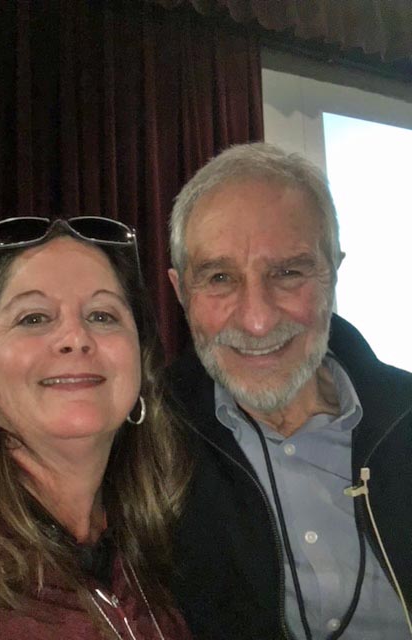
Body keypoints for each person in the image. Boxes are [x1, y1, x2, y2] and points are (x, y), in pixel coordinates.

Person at [166, 143, 412, 640]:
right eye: (219, 278)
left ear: (332, 273)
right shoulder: (144, 444)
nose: (257, 320)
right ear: (180, 292)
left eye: (288, 273)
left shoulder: (404, 416)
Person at [0, 216, 192, 640]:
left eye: (102, 315)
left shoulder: (155, 550)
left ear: (141, 365)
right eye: (33, 318)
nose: (75, 337)